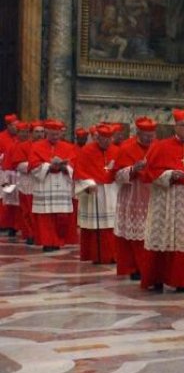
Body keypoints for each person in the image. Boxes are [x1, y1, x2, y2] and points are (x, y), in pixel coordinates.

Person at [142, 108, 184, 291]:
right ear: (176, 127)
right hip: (166, 199)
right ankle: (157, 277)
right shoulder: (160, 146)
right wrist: (170, 174)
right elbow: (149, 172)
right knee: (162, 235)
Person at [113, 117, 156, 282]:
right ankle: (134, 267)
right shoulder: (126, 147)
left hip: (153, 194)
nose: (149, 139)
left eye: (152, 135)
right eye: (146, 135)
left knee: (151, 233)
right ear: (138, 133)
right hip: (133, 195)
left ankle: (151, 267)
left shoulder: (158, 147)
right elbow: (117, 175)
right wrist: (133, 169)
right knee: (135, 235)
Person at [28, 119, 78, 252]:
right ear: (47, 133)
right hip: (45, 184)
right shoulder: (36, 146)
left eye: (57, 134)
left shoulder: (68, 147)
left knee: (61, 217)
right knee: (45, 217)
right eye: (52, 134)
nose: (55, 137)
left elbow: (74, 164)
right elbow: (33, 165)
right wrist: (49, 166)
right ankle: (47, 242)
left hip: (62, 184)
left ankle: (58, 241)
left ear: (61, 134)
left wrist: (64, 166)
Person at [73, 123, 119, 264]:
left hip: (112, 191)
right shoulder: (86, 151)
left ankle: (113, 255)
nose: (106, 142)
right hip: (94, 192)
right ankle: (97, 256)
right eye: (103, 139)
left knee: (112, 225)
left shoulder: (117, 150)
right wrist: (88, 184)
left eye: (109, 139)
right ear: (97, 138)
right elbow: (79, 172)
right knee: (95, 227)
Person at [0, 114, 20, 236]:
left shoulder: (19, 138)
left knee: (15, 199)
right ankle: (3, 223)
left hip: (17, 174)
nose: (16, 128)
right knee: (5, 196)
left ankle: (14, 225)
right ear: (8, 126)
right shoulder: (1, 137)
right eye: (14, 125)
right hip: (3, 173)